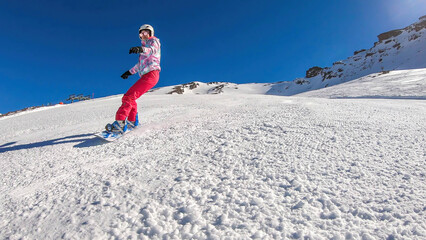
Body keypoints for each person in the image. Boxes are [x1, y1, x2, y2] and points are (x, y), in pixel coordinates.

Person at [107, 24, 161, 133]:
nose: (143, 35)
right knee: (131, 98)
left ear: (150, 33)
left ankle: (120, 124)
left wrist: (140, 49)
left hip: (152, 74)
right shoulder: (144, 51)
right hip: (148, 75)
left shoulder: (154, 41)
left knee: (128, 97)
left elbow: (152, 50)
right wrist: (129, 72)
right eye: (141, 33)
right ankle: (132, 122)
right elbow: (139, 66)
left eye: (145, 32)